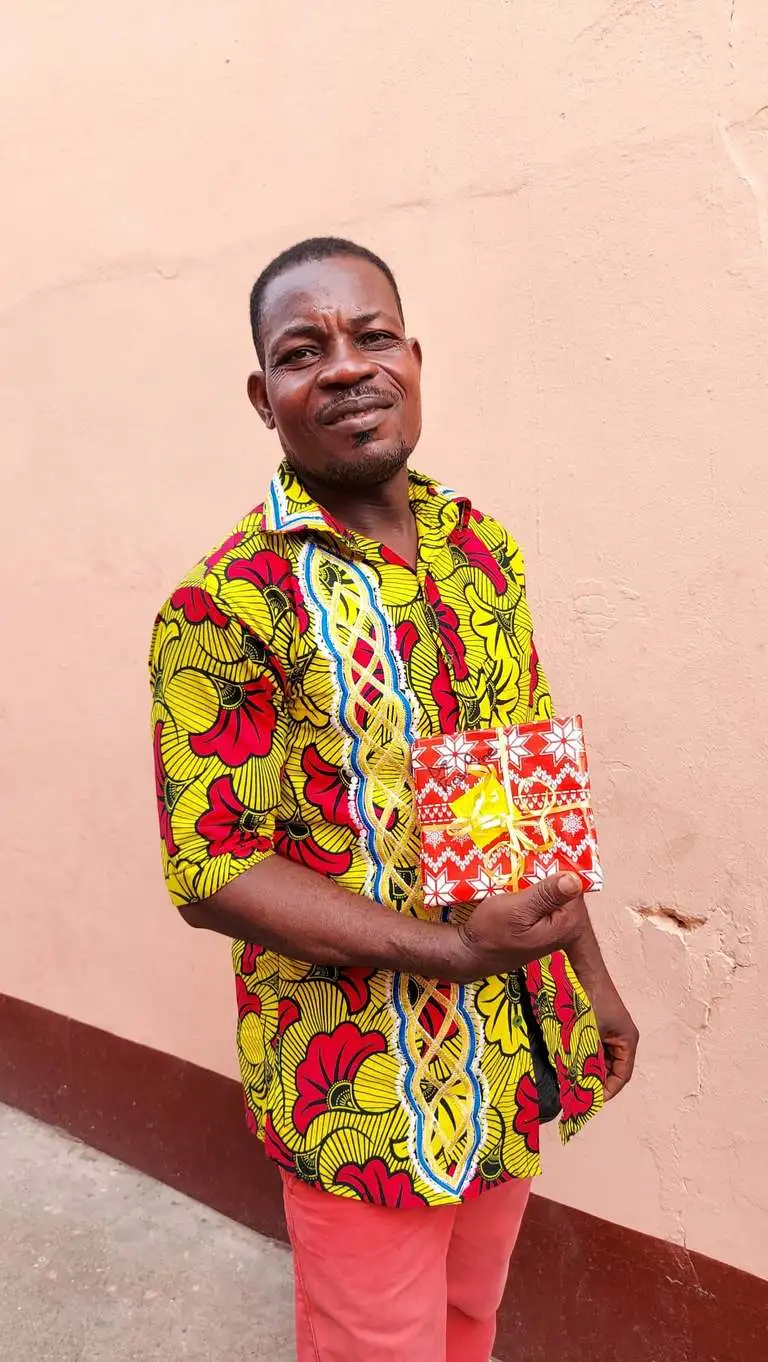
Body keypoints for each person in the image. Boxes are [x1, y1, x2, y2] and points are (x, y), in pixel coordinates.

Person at [149, 237, 638, 1362]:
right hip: (360, 1088)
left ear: (413, 360)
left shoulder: (481, 552)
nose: (345, 366)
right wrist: (453, 952)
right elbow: (210, 869)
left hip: (509, 1052)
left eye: (372, 336)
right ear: (263, 396)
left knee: (470, 1326)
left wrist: (591, 983)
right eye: (302, 350)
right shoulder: (226, 604)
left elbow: (524, 795)